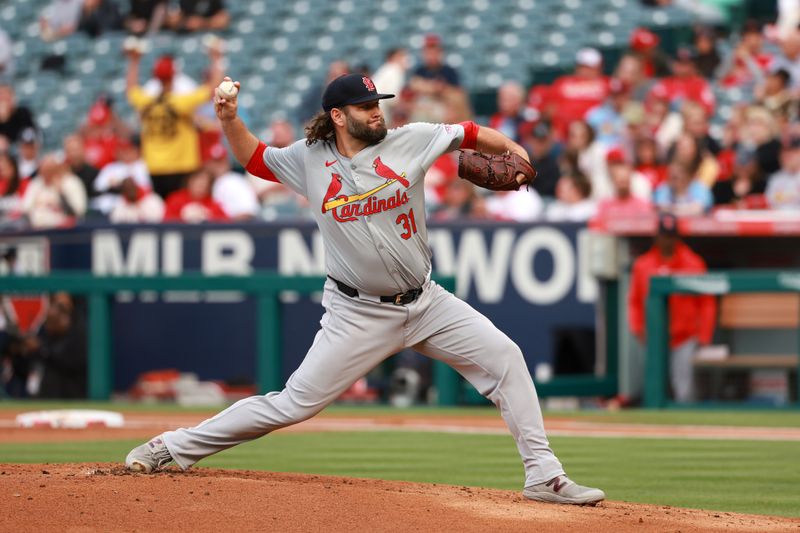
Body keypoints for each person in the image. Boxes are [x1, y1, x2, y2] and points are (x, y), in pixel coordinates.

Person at [125, 72, 605, 505]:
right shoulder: (310, 159)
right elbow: (253, 157)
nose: (377, 112)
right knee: (293, 404)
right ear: (338, 116)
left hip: (426, 301)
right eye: (366, 106)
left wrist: (514, 153)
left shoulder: (411, 139)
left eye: (378, 103)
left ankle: (544, 475)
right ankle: (173, 446)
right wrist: (228, 118)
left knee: (505, 357)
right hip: (357, 313)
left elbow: (471, 132)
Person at [628, 214, 716, 403]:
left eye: (671, 235)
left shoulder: (693, 262)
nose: (667, 240)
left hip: (684, 336)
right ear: (656, 236)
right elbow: (635, 301)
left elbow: (707, 302)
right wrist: (637, 328)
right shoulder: (643, 265)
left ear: (677, 237)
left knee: (683, 386)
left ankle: (687, 426)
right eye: (663, 235)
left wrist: (704, 335)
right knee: (652, 385)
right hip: (653, 337)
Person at [125, 46, 222, 198]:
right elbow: (213, 88)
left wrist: (134, 61)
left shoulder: (146, 102)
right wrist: (216, 58)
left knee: (163, 213)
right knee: (179, 213)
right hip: (181, 165)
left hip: (155, 166)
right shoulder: (180, 102)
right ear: (174, 76)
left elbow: (131, 89)